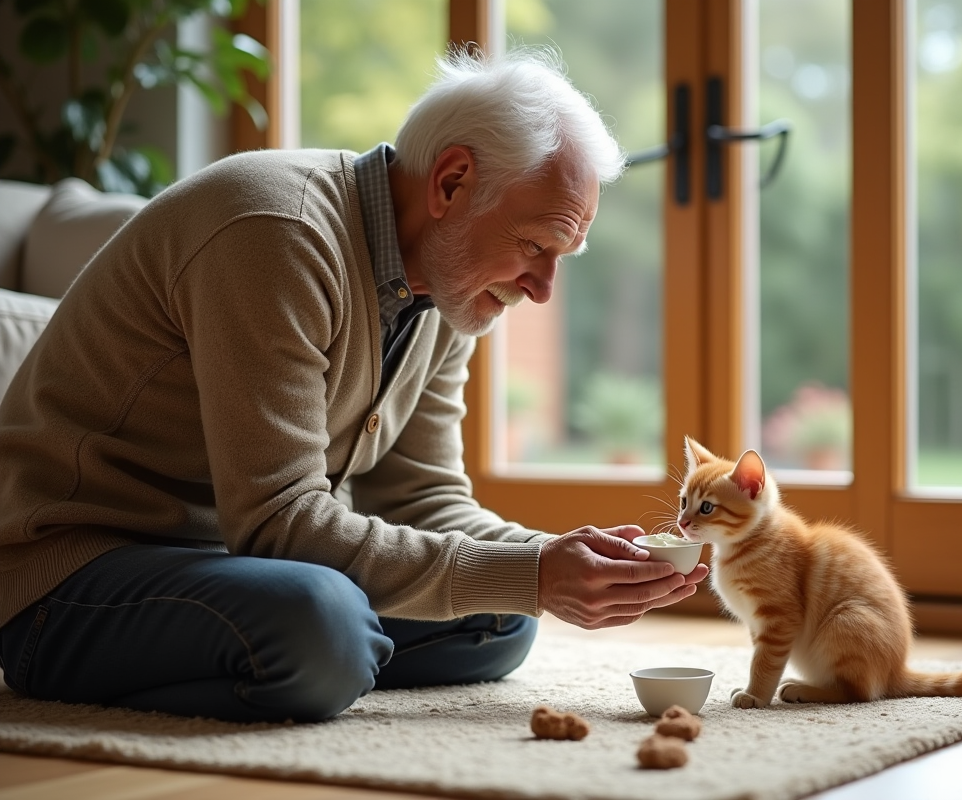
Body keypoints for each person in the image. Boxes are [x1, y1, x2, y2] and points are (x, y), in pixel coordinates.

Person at [0, 47, 707, 723]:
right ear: (451, 181)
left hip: (226, 566)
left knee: (502, 618)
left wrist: (559, 562)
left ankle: (299, 657)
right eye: (534, 245)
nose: (544, 288)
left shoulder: (446, 288)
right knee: (323, 622)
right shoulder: (276, 231)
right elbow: (278, 525)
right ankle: (311, 657)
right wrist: (532, 573)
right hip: (70, 577)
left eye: (562, 256)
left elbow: (422, 498)